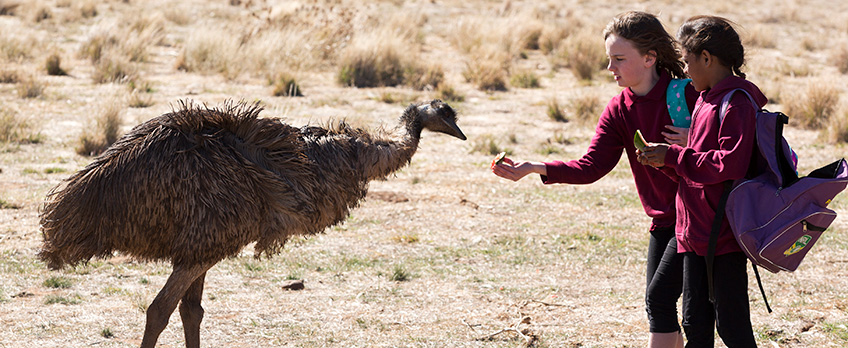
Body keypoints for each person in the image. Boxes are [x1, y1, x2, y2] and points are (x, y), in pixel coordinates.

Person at [491, 11, 696, 348]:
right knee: (659, 306)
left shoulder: (687, 96)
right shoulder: (619, 109)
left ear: (649, 58)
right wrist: (534, 167)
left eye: (618, 59)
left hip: (698, 218)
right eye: (608, 59)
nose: (609, 69)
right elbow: (591, 166)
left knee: (671, 304)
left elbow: (728, 144)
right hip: (663, 222)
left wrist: (696, 138)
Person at [638, 15, 763, 347]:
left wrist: (674, 157)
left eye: (687, 59)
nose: (685, 68)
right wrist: (664, 163)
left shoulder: (736, 103)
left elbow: (729, 165)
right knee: (695, 325)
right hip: (693, 235)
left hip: (722, 238)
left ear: (706, 58)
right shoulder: (707, 99)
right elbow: (699, 171)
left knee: (732, 328)